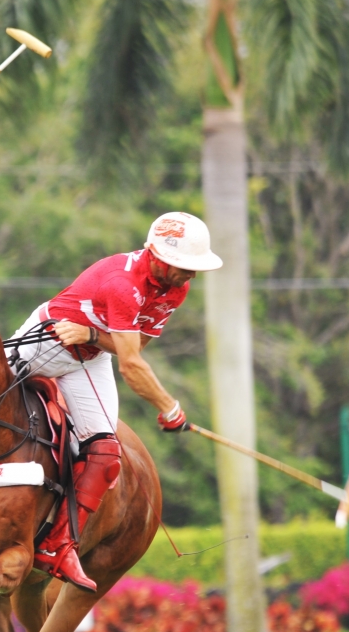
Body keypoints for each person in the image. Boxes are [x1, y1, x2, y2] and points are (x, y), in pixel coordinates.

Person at [11, 212, 222, 592]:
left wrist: (91, 333)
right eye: (184, 267)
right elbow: (131, 366)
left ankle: (59, 545)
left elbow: (136, 348)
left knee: (106, 454)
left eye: (194, 268)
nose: (191, 275)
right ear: (156, 256)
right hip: (45, 342)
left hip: (86, 357)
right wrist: (169, 406)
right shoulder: (123, 284)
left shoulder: (175, 289)